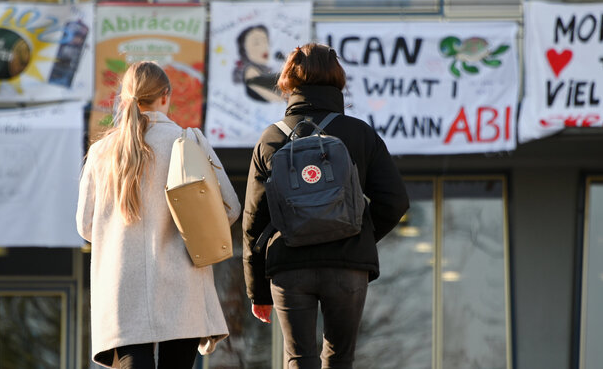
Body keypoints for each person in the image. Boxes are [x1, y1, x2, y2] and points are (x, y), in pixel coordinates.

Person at [242, 43, 410, 368]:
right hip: (347, 265)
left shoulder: (271, 138)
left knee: (298, 358)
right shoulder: (360, 133)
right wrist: (355, 233)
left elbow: (253, 220)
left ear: (288, 81)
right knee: (340, 359)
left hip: (289, 266)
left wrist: (258, 292)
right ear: (338, 78)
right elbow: (394, 200)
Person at [77, 61, 241, 369]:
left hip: (122, 288)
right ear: (166, 95)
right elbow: (230, 208)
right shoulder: (187, 141)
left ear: (124, 98)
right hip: (183, 286)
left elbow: (85, 226)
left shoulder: (101, 152)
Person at [232, 24, 283, 103]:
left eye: (265, 41)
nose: (264, 47)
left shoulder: (267, 70)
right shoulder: (250, 71)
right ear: (244, 50)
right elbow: (277, 98)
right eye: (256, 43)